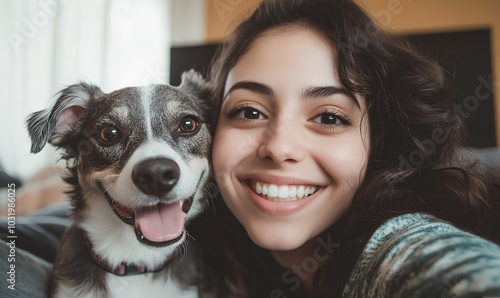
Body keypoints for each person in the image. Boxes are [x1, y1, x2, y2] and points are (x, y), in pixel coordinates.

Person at [188, 0, 500, 297]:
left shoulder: (397, 244)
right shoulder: (205, 263)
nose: (279, 147)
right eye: (249, 112)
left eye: (328, 117)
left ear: (378, 141)